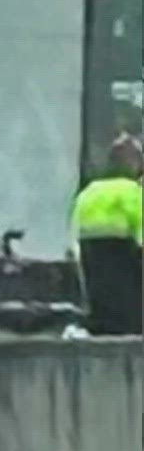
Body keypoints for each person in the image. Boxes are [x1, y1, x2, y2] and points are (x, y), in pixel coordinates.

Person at [71, 132, 143, 335]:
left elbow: (76, 233)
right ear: (133, 163)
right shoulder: (132, 192)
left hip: (93, 262)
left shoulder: (89, 192)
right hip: (125, 259)